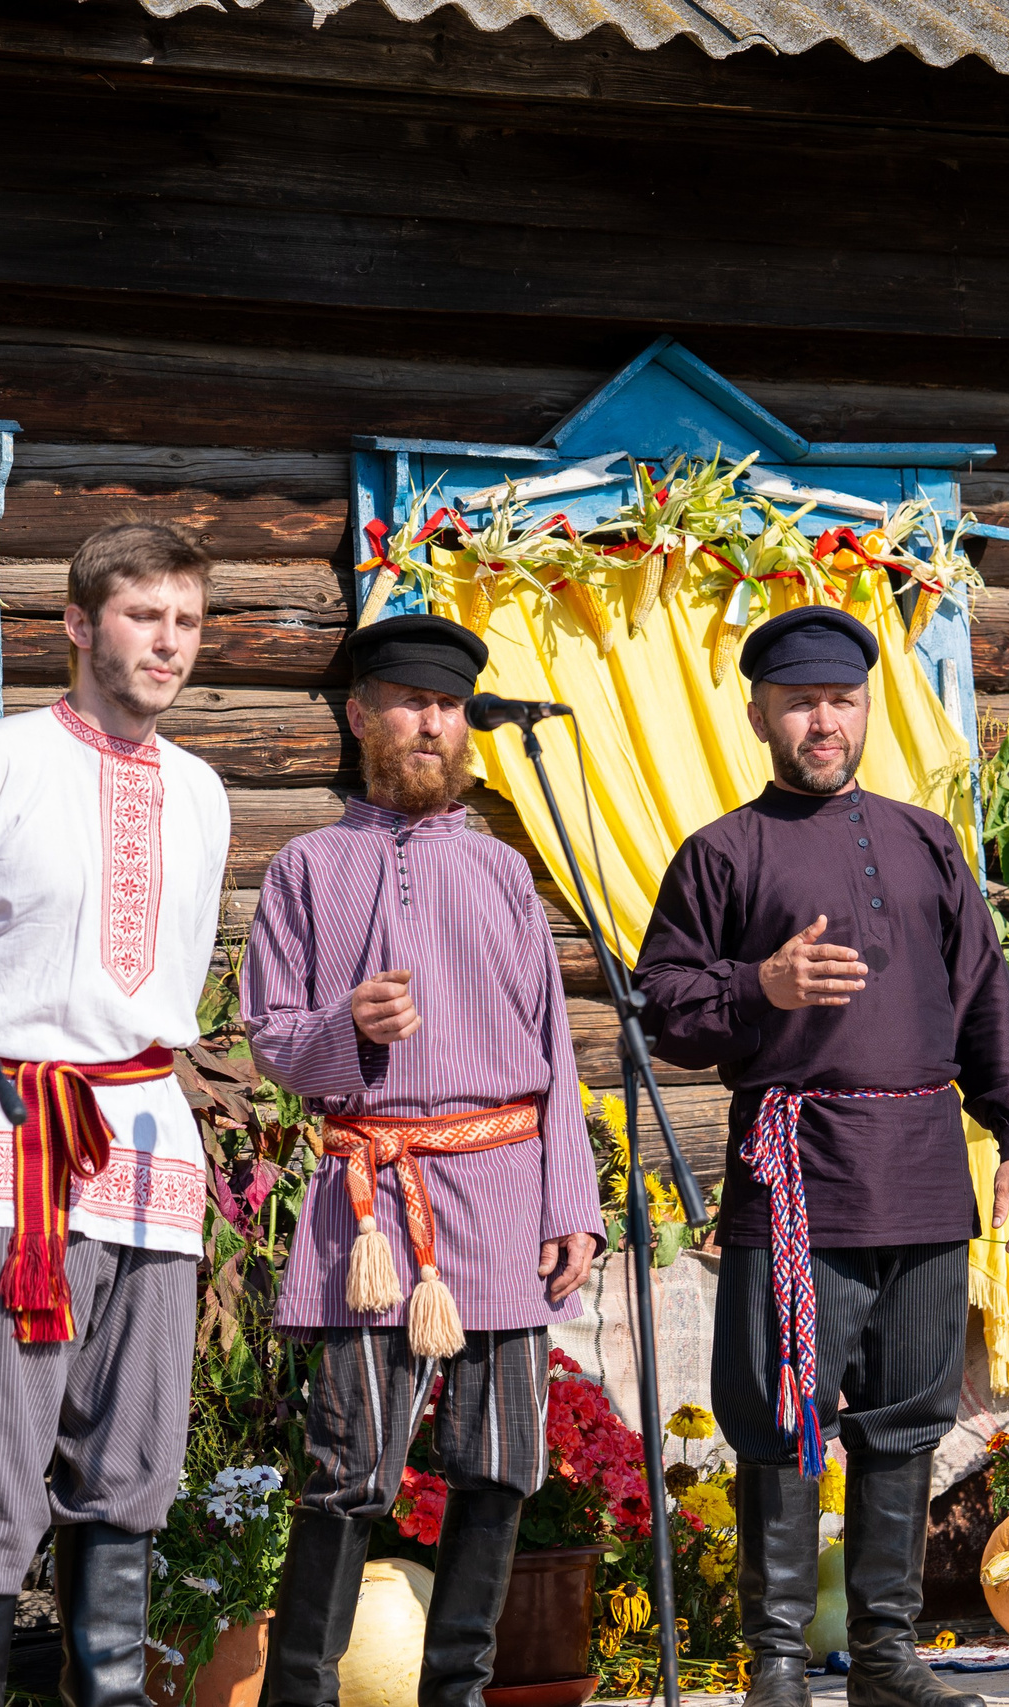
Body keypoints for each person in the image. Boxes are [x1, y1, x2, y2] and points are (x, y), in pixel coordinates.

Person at [635, 606, 1009, 1707]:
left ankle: (884, 1657)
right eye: (802, 702)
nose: (825, 721)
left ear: (865, 708)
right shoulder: (723, 853)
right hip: (796, 1173)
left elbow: (985, 998)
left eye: (842, 701)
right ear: (761, 713)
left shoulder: (924, 840)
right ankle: (775, 1662)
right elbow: (661, 1006)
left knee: (908, 1417)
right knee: (781, 1415)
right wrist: (755, 987)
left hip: (920, 1166)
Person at [0, 523, 230, 1707]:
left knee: (131, 1460)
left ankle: (105, 1693)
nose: (167, 644)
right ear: (77, 625)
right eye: (142, 616)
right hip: (7, 1142)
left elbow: (173, 972)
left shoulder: (206, 789)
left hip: (150, 1146)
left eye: (185, 621)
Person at [241, 613, 604, 1707]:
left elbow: (553, 1055)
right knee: (348, 1472)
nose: (431, 723)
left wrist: (571, 1202)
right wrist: (346, 1028)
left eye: (446, 706)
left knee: (498, 1467)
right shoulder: (305, 868)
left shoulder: (503, 875)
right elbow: (271, 1041)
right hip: (370, 1210)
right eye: (408, 702)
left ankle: (456, 1696)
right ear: (361, 717)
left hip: (497, 1193)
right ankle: (300, 1697)